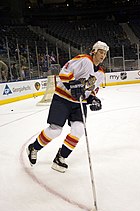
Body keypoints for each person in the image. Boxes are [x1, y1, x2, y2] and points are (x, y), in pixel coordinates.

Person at [27, 41, 109, 173]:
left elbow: (92, 90)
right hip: (63, 99)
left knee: (79, 130)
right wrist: (72, 84)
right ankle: (34, 148)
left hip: (79, 103)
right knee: (55, 130)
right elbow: (64, 72)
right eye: (100, 51)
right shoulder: (84, 60)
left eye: (105, 53)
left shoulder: (100, 73)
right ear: (93, 51)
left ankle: (61, 158)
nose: (103, 55)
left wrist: (93, 99)